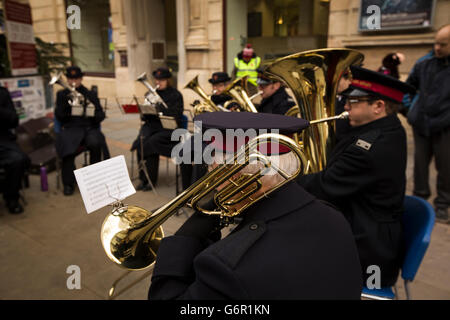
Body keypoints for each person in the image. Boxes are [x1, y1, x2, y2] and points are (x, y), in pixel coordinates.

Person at [148, 112, 363, 299]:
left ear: (229, 175)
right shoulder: (334, 217)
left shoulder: (225, 265)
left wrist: (185, 241)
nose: (209, 177)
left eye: (212, 167)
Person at [297, 65, 415, 288]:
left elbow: (324, 185)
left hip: (368, 254)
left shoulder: (373, 147)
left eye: (353, 102)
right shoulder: (378, 127)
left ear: (378, 106)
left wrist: (277, 179)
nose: (346, 107)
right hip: (360, 228)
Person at [405, 24, 450, 223]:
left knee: (446, 167)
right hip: (421, 124)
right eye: (436, 43)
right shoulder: (424, 62)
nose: (438, 48)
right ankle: (419, 201)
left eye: (443, 44)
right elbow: (407, 88)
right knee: (420, 167)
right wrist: (410, 110)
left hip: (446, 126)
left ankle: (442, 205)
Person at [54, 66, 108, 196]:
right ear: (67, 79)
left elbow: (100, 115)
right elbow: (59, 116)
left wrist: (89, 111)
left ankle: (94, 181)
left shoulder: (90, 94)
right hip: (71, 129)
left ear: (81, 79)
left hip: (89, 128)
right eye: (71, 78)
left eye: (76, 78)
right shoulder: (62, 95)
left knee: (95, 143)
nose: (73, 81)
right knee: (67, 147)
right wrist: (70, 106)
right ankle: (68, 183)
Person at [131, 67, 184, 191]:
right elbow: (144, 118)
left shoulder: (175, 95)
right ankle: (143, 178)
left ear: (167, 80)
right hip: (152, 125)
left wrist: (159, 106)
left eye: (162, 80)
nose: (158, 83)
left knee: (151, 142)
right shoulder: (149, 94)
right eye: (157, 80)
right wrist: (145, 109)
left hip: (169, 129)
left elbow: (176, 116)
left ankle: (151, 180)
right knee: (141, 141)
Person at [0, 86, 29, 214]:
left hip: (3, 139)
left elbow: (14, 120)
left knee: (19, 159)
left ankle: (11, 197)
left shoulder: (2, 93)